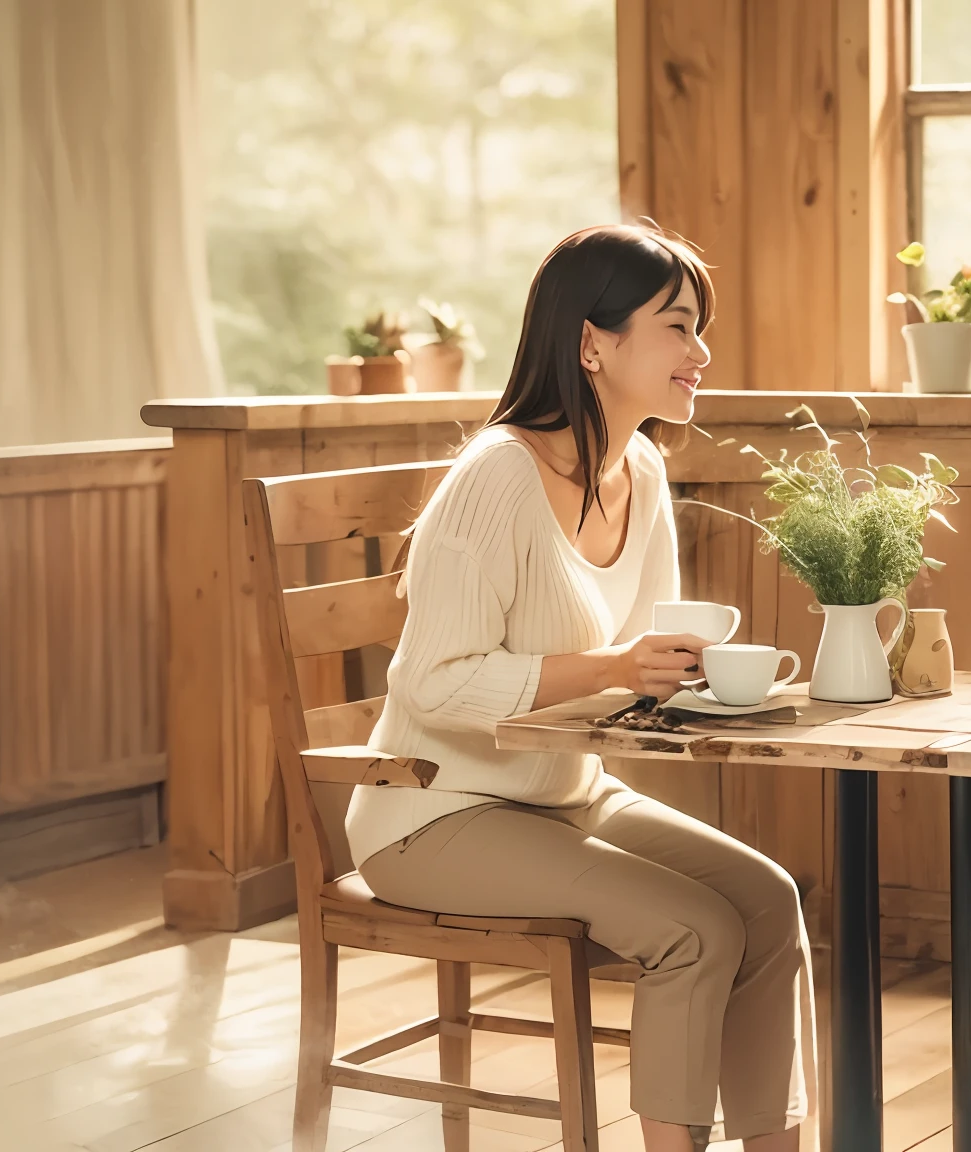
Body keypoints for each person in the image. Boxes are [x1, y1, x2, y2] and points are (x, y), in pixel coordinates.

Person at [346, 224, 814, 1152]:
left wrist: (694, 680)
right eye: (677, 326)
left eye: (699, 328)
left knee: (767, 901)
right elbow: (432, 682)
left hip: (564, 794)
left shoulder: (641, 467)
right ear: (593, 342)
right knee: (693, 929)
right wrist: (612, 668)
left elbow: (645, 655)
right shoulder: (497, 478)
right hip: (432, 814)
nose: (701, 350)